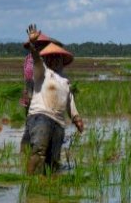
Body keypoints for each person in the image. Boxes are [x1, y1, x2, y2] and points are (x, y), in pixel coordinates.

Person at [24, 24, 84, 174]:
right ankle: (32, 187)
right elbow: (36, 59)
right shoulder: (42, 72)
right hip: (41, 117)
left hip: (58, 123)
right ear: (47, 60)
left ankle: (48, 188)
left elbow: (70, 102)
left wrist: (76, 118)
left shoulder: (65, 81)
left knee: (53, 161)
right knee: (39, 152)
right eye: (51, 58)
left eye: (58, 58)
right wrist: (33, 45)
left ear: (62, 61)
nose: (54, 61)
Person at [19, 32, 61, 154]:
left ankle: (44, 152)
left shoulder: (48, 60)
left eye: (42, 45)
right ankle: (26, 153)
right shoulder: (28, 59)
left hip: (44, 99)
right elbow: (27, 78)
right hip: (30, 96)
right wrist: (27, 93)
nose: (39, 48)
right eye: (37, 45)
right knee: (29, 126)